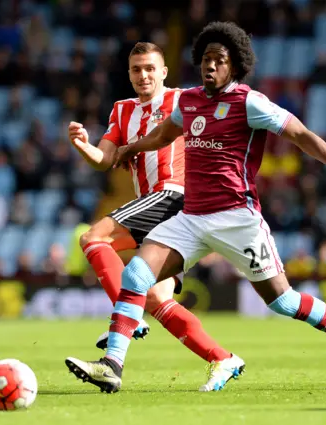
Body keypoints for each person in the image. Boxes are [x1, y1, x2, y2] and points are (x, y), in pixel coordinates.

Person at [66, 22, 326, 394]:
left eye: (219, 60)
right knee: (137, 276)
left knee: (282, 300)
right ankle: (112, 366)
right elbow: (162, 135)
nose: (210, 67)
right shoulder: (188, 102)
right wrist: (129, 149)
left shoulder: (249, 102)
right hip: (190, 218)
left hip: (237, 219)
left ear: (234, 66)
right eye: (205, 59)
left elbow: (301, 134)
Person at [64, 42, 240, 392]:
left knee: (92, 237)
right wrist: (84, 145)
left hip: (173, 195)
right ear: (129, 74)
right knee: (158, 299)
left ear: (163, 71)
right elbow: (105, 159)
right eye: (136, 69)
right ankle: (223, 357)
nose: (143, 75)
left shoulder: (183, 100)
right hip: (158, 207)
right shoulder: (121, 110)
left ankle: (125, 317)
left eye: (149, 68)